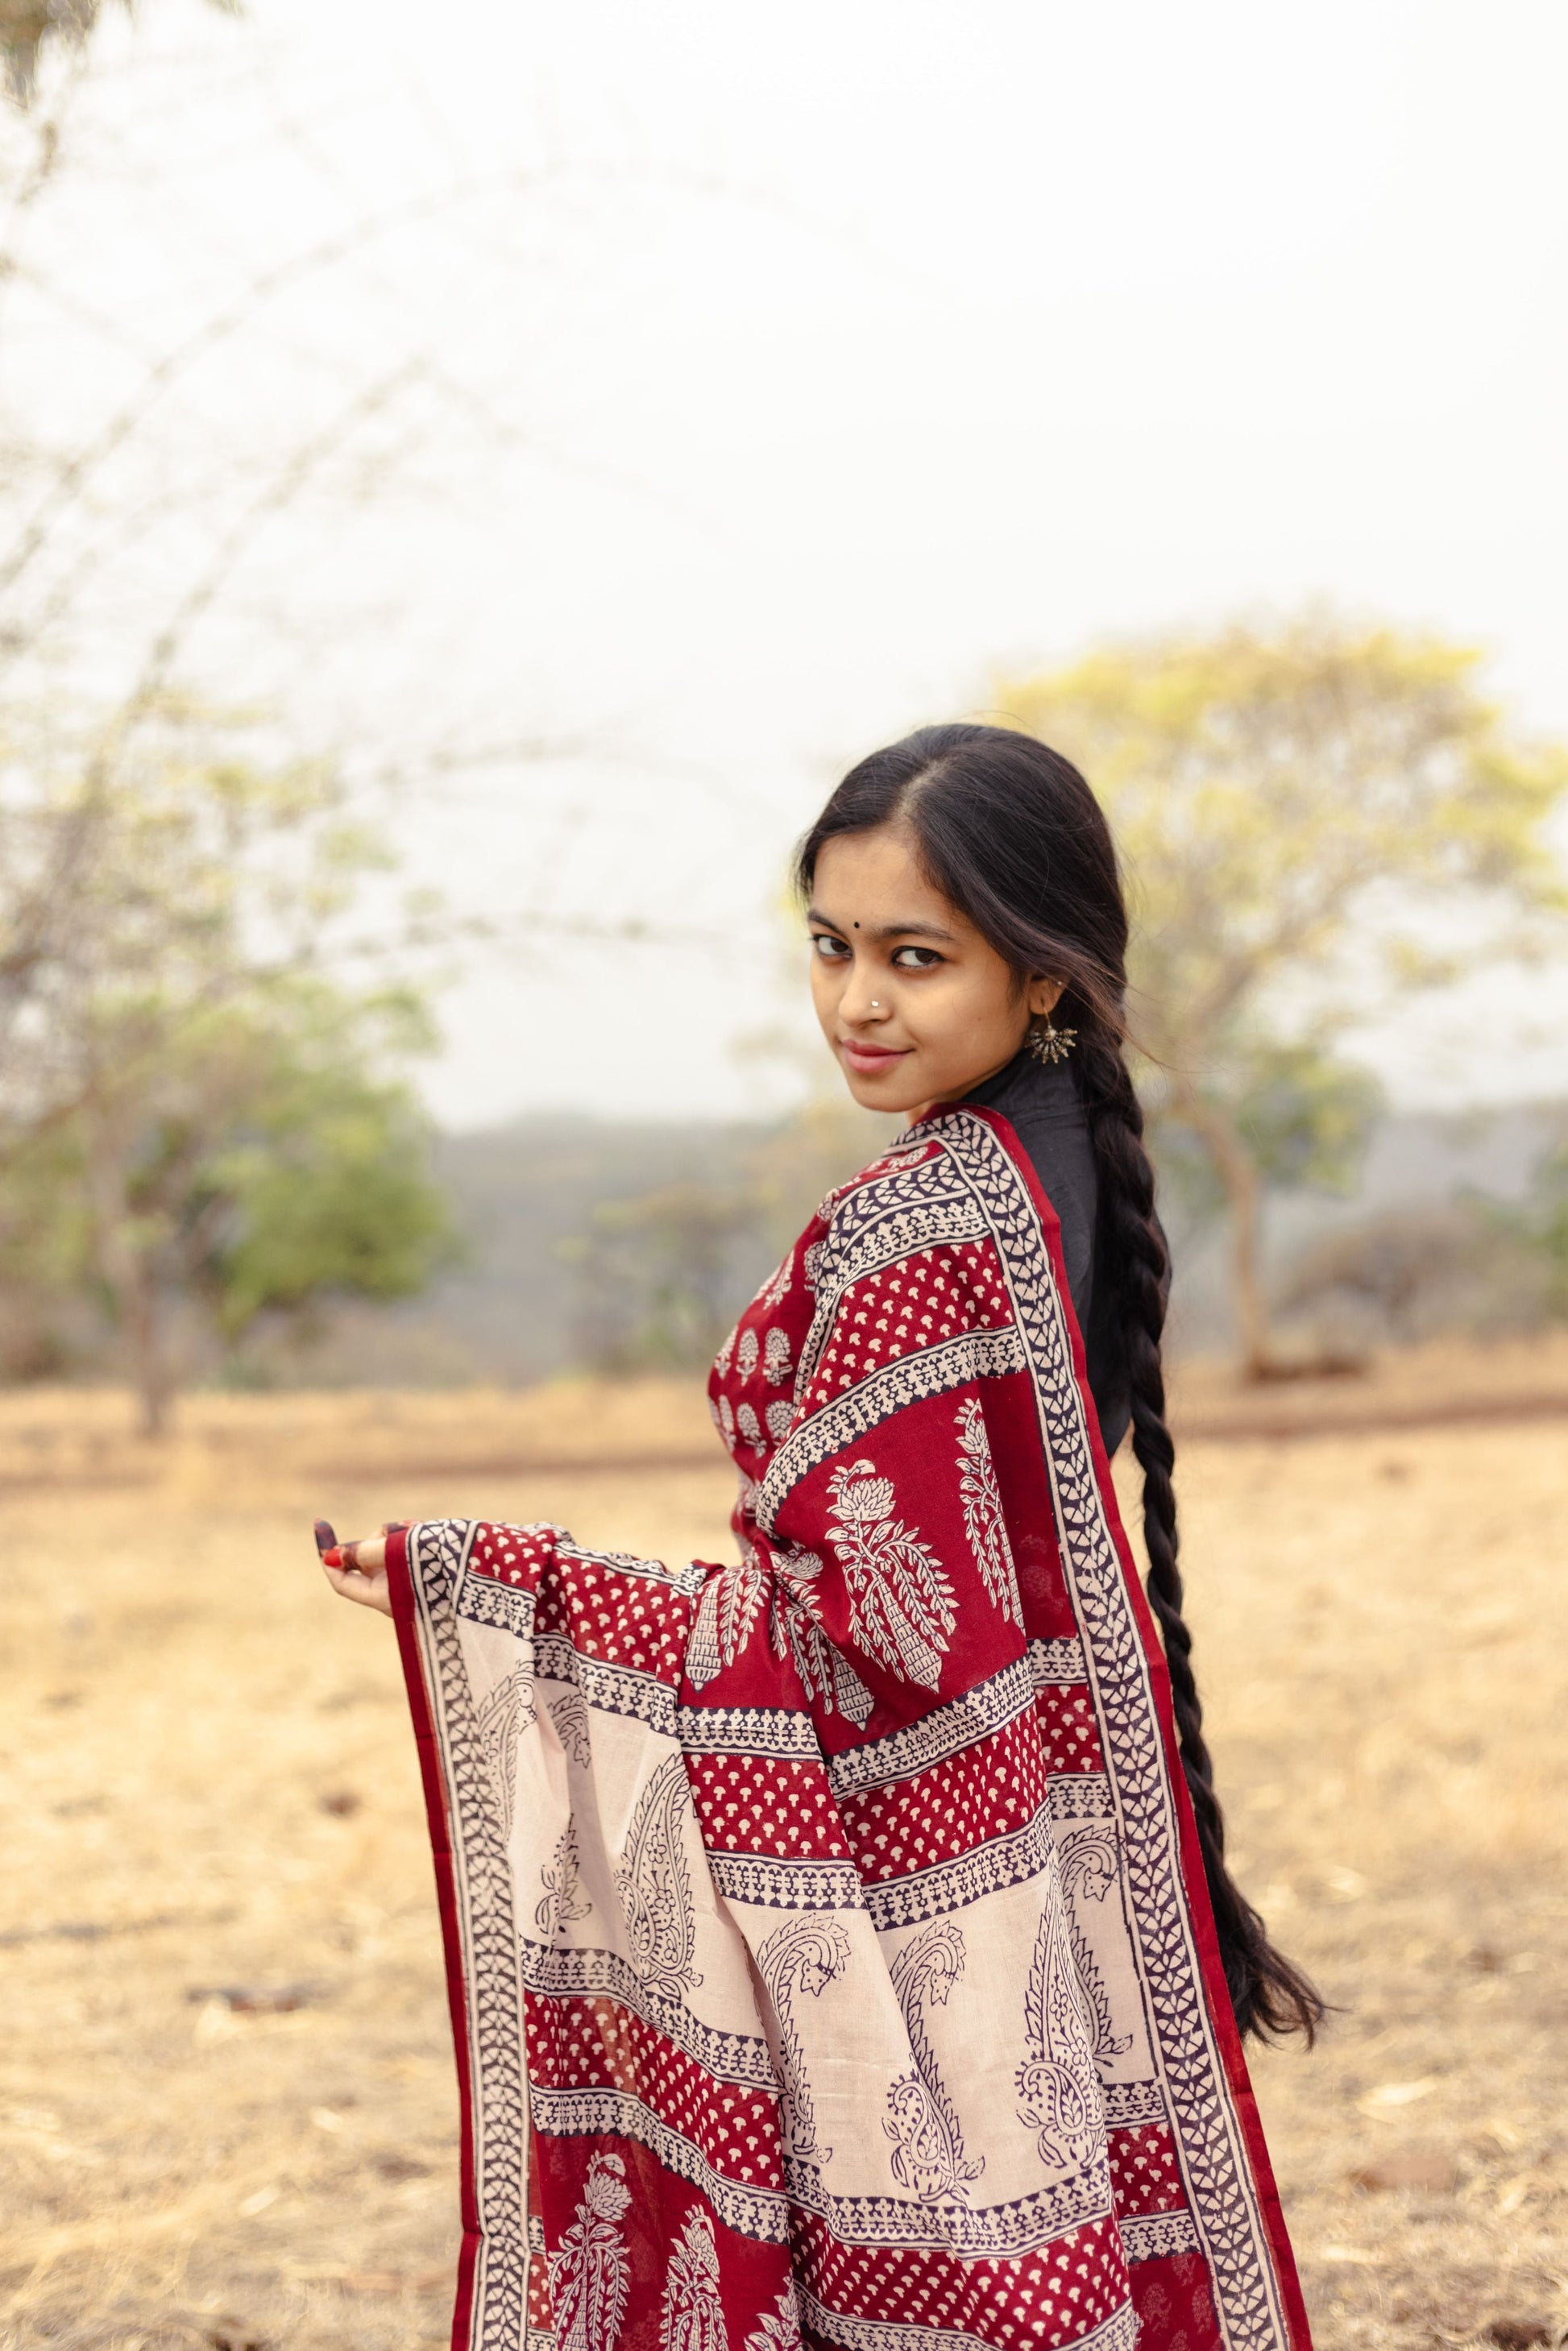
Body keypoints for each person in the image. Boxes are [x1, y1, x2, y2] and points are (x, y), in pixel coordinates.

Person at [319, 724, 1321, 2351]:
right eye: (831, 947)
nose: (858, 1002)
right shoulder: (1053, 1171)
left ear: (1046, 975)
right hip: (1035, 1803)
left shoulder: (920, 1225)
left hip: (917, 1848)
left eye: (914, 958)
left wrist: (510, 1588)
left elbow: (848, 1647)